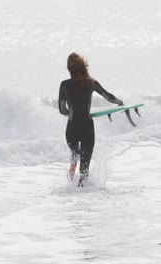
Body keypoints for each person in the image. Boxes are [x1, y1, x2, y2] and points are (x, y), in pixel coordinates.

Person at [58, 53, 123, 187]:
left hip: (72, 128)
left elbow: (62, 110)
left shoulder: (64, 85)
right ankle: (82, 197)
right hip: (87, 128)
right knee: (84, 170)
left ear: (69, 69)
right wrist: (120, 102)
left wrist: (72, 112)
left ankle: (71, 176)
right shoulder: (91, 83)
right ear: (84, 66)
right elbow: (109, 97)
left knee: (75, 156)